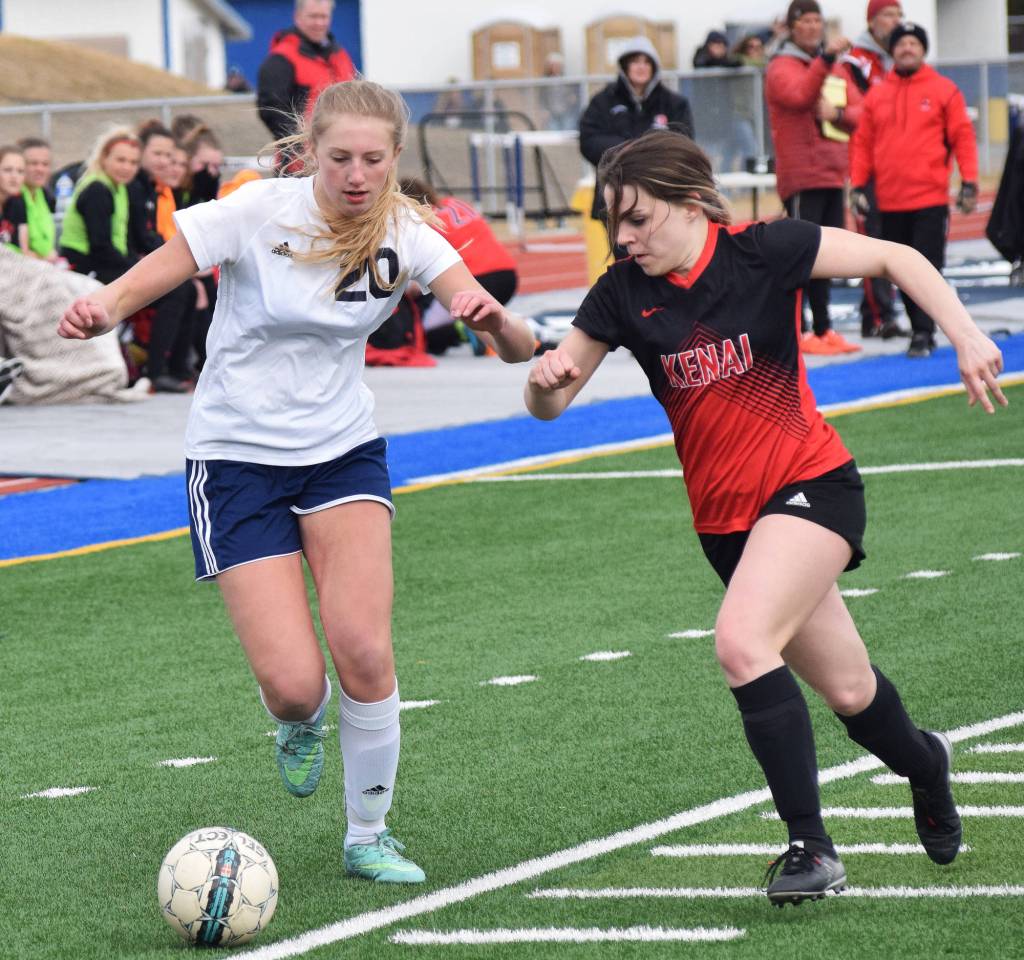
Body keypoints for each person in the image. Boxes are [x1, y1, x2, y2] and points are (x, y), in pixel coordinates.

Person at [58, 80, 536, 885]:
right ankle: (298, 720)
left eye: (374, 159)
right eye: (340, 157)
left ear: (396, 156)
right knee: (292, 686)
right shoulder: (256, 210)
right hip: (236, 459)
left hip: (341, 451)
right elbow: (157, 271)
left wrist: (500, 324)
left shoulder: (407, 231)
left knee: (365, 651)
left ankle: (368, 835)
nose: (357, 174)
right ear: (312, 150)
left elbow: (510, 341)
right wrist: (101, 309)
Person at [524, 129, 1006, 906]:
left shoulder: (764, 249)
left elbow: (897, 257)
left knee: (742, 643)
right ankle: (927, 764)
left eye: (639, 218)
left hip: (812, 484)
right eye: (614, 222)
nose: (625, 237)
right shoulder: (620, 292)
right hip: (726, 528)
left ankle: (811, 847)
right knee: (851, 691)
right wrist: (544, 382)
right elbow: (548, 406)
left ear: (691, 203)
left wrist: (965, 332)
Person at [850, 22, 978, 358]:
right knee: (901, 273)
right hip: (890, 201)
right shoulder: (877, 95)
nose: (907, 48)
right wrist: (858, 184)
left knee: (929, 268)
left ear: (923, 49)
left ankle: (924, 331)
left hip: (929, 200)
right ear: (892, 51)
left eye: (913, 43)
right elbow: (862, 144)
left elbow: (963, 137)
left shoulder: (944, 90)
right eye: (901, 43)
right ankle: (919, 327)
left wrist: (969, 181)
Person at [765, 0, 862, 355]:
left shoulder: (833, 67)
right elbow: (799, 95)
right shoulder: (781, 66)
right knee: (800, 255)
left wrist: (837, 113)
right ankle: (800, 329)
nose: (812, 27)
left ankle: (824, 328)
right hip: (802, 177)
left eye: (816, 20)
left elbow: (860, 113)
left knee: (828, 255)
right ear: (792, 27)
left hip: (833, 173)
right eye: (804, 21)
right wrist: (826, 60)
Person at [579, 35, 694, 227]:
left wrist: (647, 154)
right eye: (635, 61)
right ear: (625, 66)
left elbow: (683, 143)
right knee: (624, 246)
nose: (642, 67)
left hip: (661, 193)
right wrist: (629, 149)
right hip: (616, 193)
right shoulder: (603, 102)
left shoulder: (674, 104)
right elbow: (589, 140)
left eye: (647, 62)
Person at [843, 1, 907, 339]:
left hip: (897, 164)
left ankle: (873, 315)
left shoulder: (900, 58)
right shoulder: (854, 62)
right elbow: (855, 111)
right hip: (866, 163)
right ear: (872, 21)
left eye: (899, 15)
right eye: (888, 14)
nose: (896, 21)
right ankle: (883, 315)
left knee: (895, 238)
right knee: (874, 239)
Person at [401, 178, 518, 355]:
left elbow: (418, 284)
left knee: (425, 334)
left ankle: (465, 331)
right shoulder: (454, 203)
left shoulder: (420, 221)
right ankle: (506, 329)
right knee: (493, 318)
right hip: (508, 274)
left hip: (476, 279)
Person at [127, 121, 198, 391]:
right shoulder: (134, 186)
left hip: (138, 257)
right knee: (179, 289)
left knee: (190, 288)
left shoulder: (152, 187)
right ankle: (156, 371)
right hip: (123, 263)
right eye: (157, 153)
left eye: (168, 155)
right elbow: (141, 237)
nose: (163, 161)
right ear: (142, 152)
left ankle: (179, 368)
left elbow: (153, 235)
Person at [257, 0, 356, 141]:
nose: (319, 23)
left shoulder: (340, 55)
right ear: (297, 17)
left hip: (344, 145)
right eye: (313, 16)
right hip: (303, 149)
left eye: (324, 17)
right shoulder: (281, 59)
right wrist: (299, 142)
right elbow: (272, 111)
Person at [58, 126, 141, 284]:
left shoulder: (119, 188)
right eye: (121, 160)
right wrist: (134, 269)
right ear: (104, 158)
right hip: (84, 265)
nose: (127, 167)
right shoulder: (97, 189)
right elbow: (100, 246)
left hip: (106, 262)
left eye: (133, 162)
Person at [18, 137, 58, 262]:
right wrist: (45, 258)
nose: (40, 169)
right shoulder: (13, 199)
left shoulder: (45, 195)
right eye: (33, 163)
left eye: (45, 164)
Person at [0, 146, 29, 254]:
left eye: (20, 171)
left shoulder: (18, 202)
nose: (14, 176)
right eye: (7, 170)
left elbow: (23, 251)